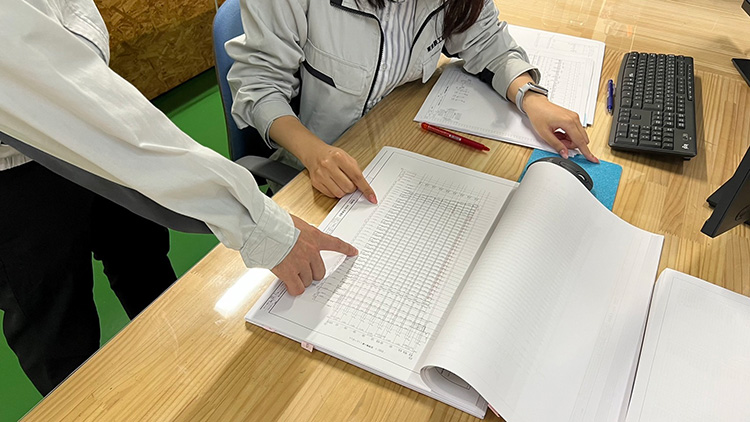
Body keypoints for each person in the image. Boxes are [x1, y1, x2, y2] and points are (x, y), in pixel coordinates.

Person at [0, 0, 355, 396]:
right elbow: (58, 95)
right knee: (57, 327)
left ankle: (184, 377)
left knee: (142, 261)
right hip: (16, 173)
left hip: (92, 95)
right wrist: (260, 226)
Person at [227, 0, 600, 202]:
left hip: (396, 143)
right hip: (318, 171)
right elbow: (259, 84)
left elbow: (484, 39)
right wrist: (313, 153)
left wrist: (529, 97)